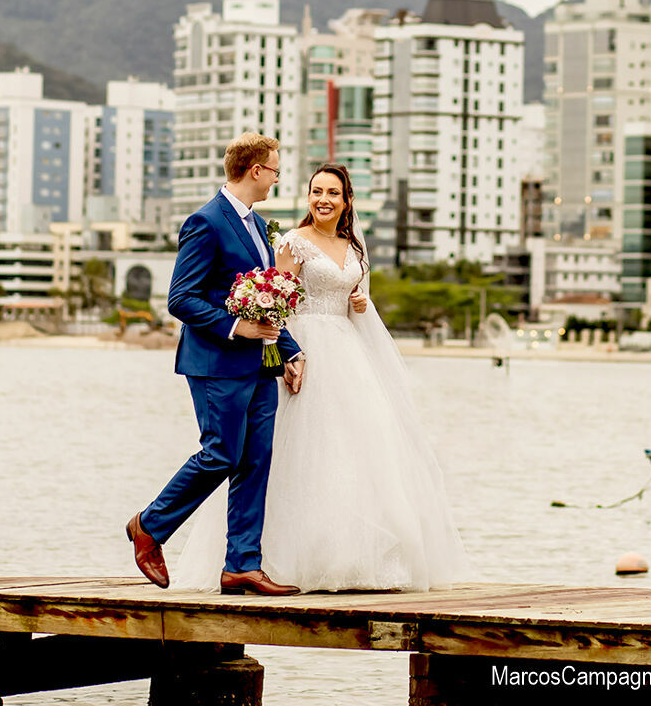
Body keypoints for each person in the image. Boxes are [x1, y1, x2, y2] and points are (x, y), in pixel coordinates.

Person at [174, 163, 468, 592]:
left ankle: (359, 558)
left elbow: (351, 295)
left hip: (348, 351)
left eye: (333, 192)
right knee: (297, 450)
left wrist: (360, 303)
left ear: (347, 201)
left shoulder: (354, 247)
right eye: (316, 191)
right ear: (308, 197)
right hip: (305, 346)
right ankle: (277, 559)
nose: (323, 199)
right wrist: (289, 354)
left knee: (361, 448)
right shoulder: (292, 242)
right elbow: (275, 302)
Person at [127, 132, 304, 596]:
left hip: (260, 365)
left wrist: (289, 350)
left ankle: (242, 565)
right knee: (221, 453)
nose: (278, 177)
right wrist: (235, 328)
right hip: (216, 363)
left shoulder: (257, 225)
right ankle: (149, 526)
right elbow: (180, 297)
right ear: (255, 170)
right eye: (276, 169)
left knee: (255, 461)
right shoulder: (205, 221)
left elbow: (266, 299)